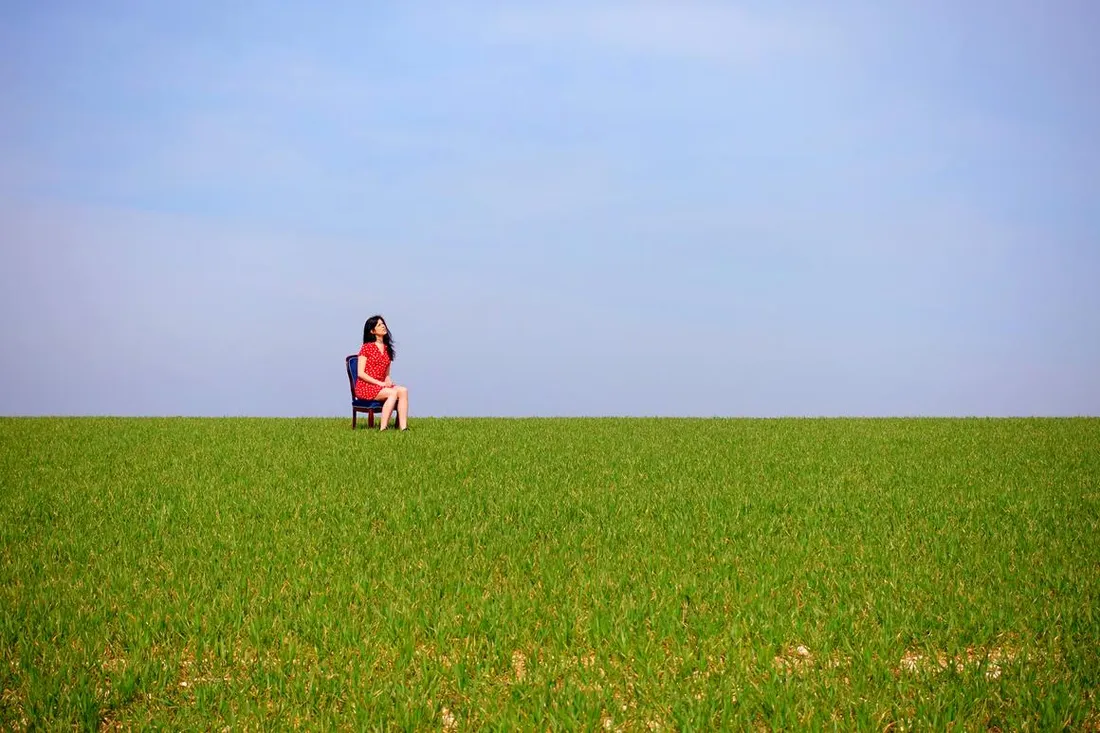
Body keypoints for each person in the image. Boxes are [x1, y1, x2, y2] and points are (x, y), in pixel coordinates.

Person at [355, 315, 409, 431]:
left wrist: (387, 380)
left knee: (403, 391)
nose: (383, 326)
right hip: (366, 386)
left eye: (383, 324)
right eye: (379, 325)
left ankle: (403, 427)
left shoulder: (387, 348)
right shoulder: (366, 348)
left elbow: (386, 374)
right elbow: (360, 373)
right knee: (392, 393)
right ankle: (383, 428)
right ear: (372, 331)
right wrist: (379, 383)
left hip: (381, 385)